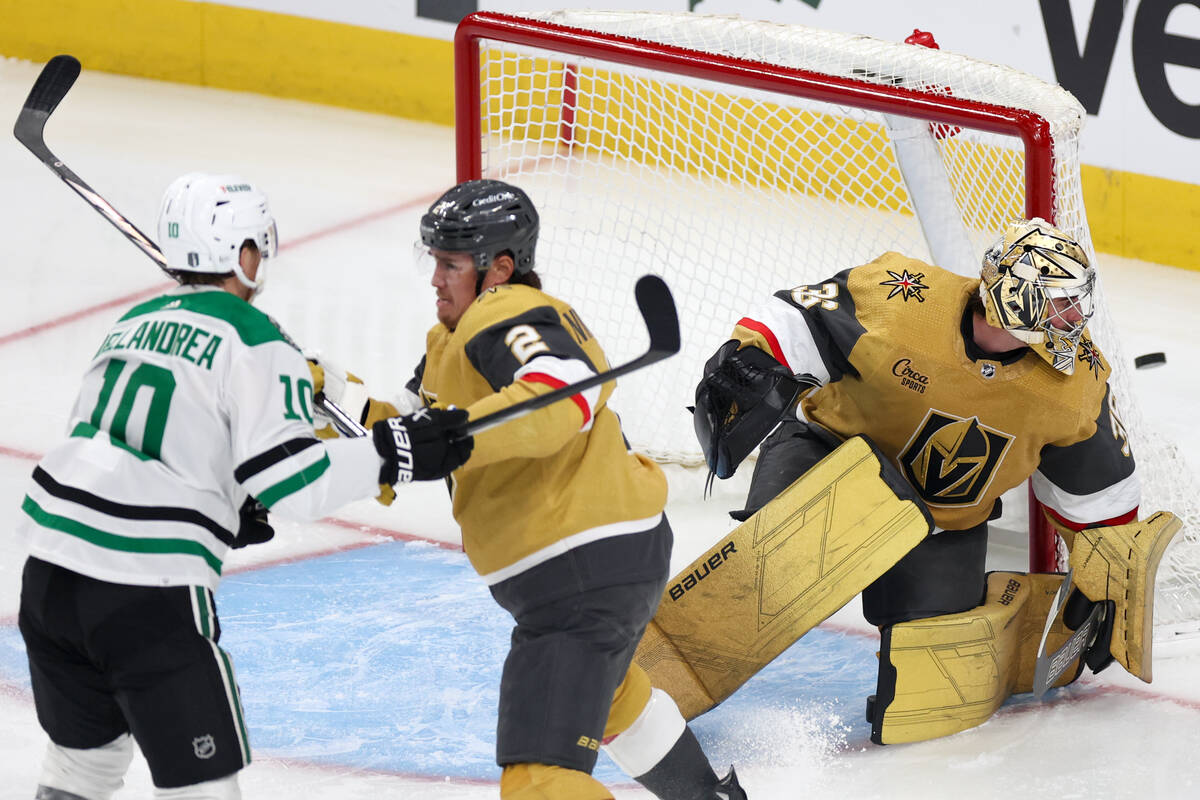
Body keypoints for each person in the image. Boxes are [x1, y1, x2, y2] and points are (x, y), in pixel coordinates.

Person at [16, 173, 470, 800]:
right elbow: (297, 486)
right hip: (144, 592)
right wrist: (392, 454)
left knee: (80, 770)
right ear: (243, 254)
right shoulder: (256, 340)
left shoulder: (131, 324)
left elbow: (135, 448)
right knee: (204, 787)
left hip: (48, 579)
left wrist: (227, 502)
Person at [688, 217, 1151, 742]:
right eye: (1061, 302)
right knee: (776, 559)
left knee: (930, 673)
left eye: (1076, 302)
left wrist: (1104, 579)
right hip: (828, 458)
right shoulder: (900, 298)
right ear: (1018, 300)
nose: (1075, 317)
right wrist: (747, 360)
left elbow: (1098, 494)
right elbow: (794, 320)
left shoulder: (1075, 382)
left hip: (941, 520)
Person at [386, 179, 747, 800]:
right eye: (434, 261)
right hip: (606, 558)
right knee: (608, 697)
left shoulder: (502, 314)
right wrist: (321, 396)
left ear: (498, 268)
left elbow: (565, 393)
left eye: (450, 264)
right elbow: (405, 422)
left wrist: (456, 438)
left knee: (538, 781)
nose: (436, 278)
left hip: (580, 568)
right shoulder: (454, 337)